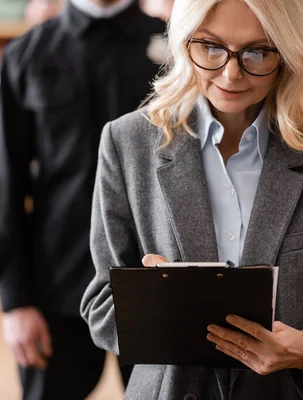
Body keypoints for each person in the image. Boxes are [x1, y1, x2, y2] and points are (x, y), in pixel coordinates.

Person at [80, 0, 303, 398]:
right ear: (184, 43)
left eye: (257, 52)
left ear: (288, 53)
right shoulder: (128, 143)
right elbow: (99, 306)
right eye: (210, 47)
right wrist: (155, 306)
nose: (231, 73)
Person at [0, 0, 166, 398]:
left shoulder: (175, 47)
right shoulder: (28, 54)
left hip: (162, 285)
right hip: (57, 290)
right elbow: (5, 184)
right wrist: (15, 303)